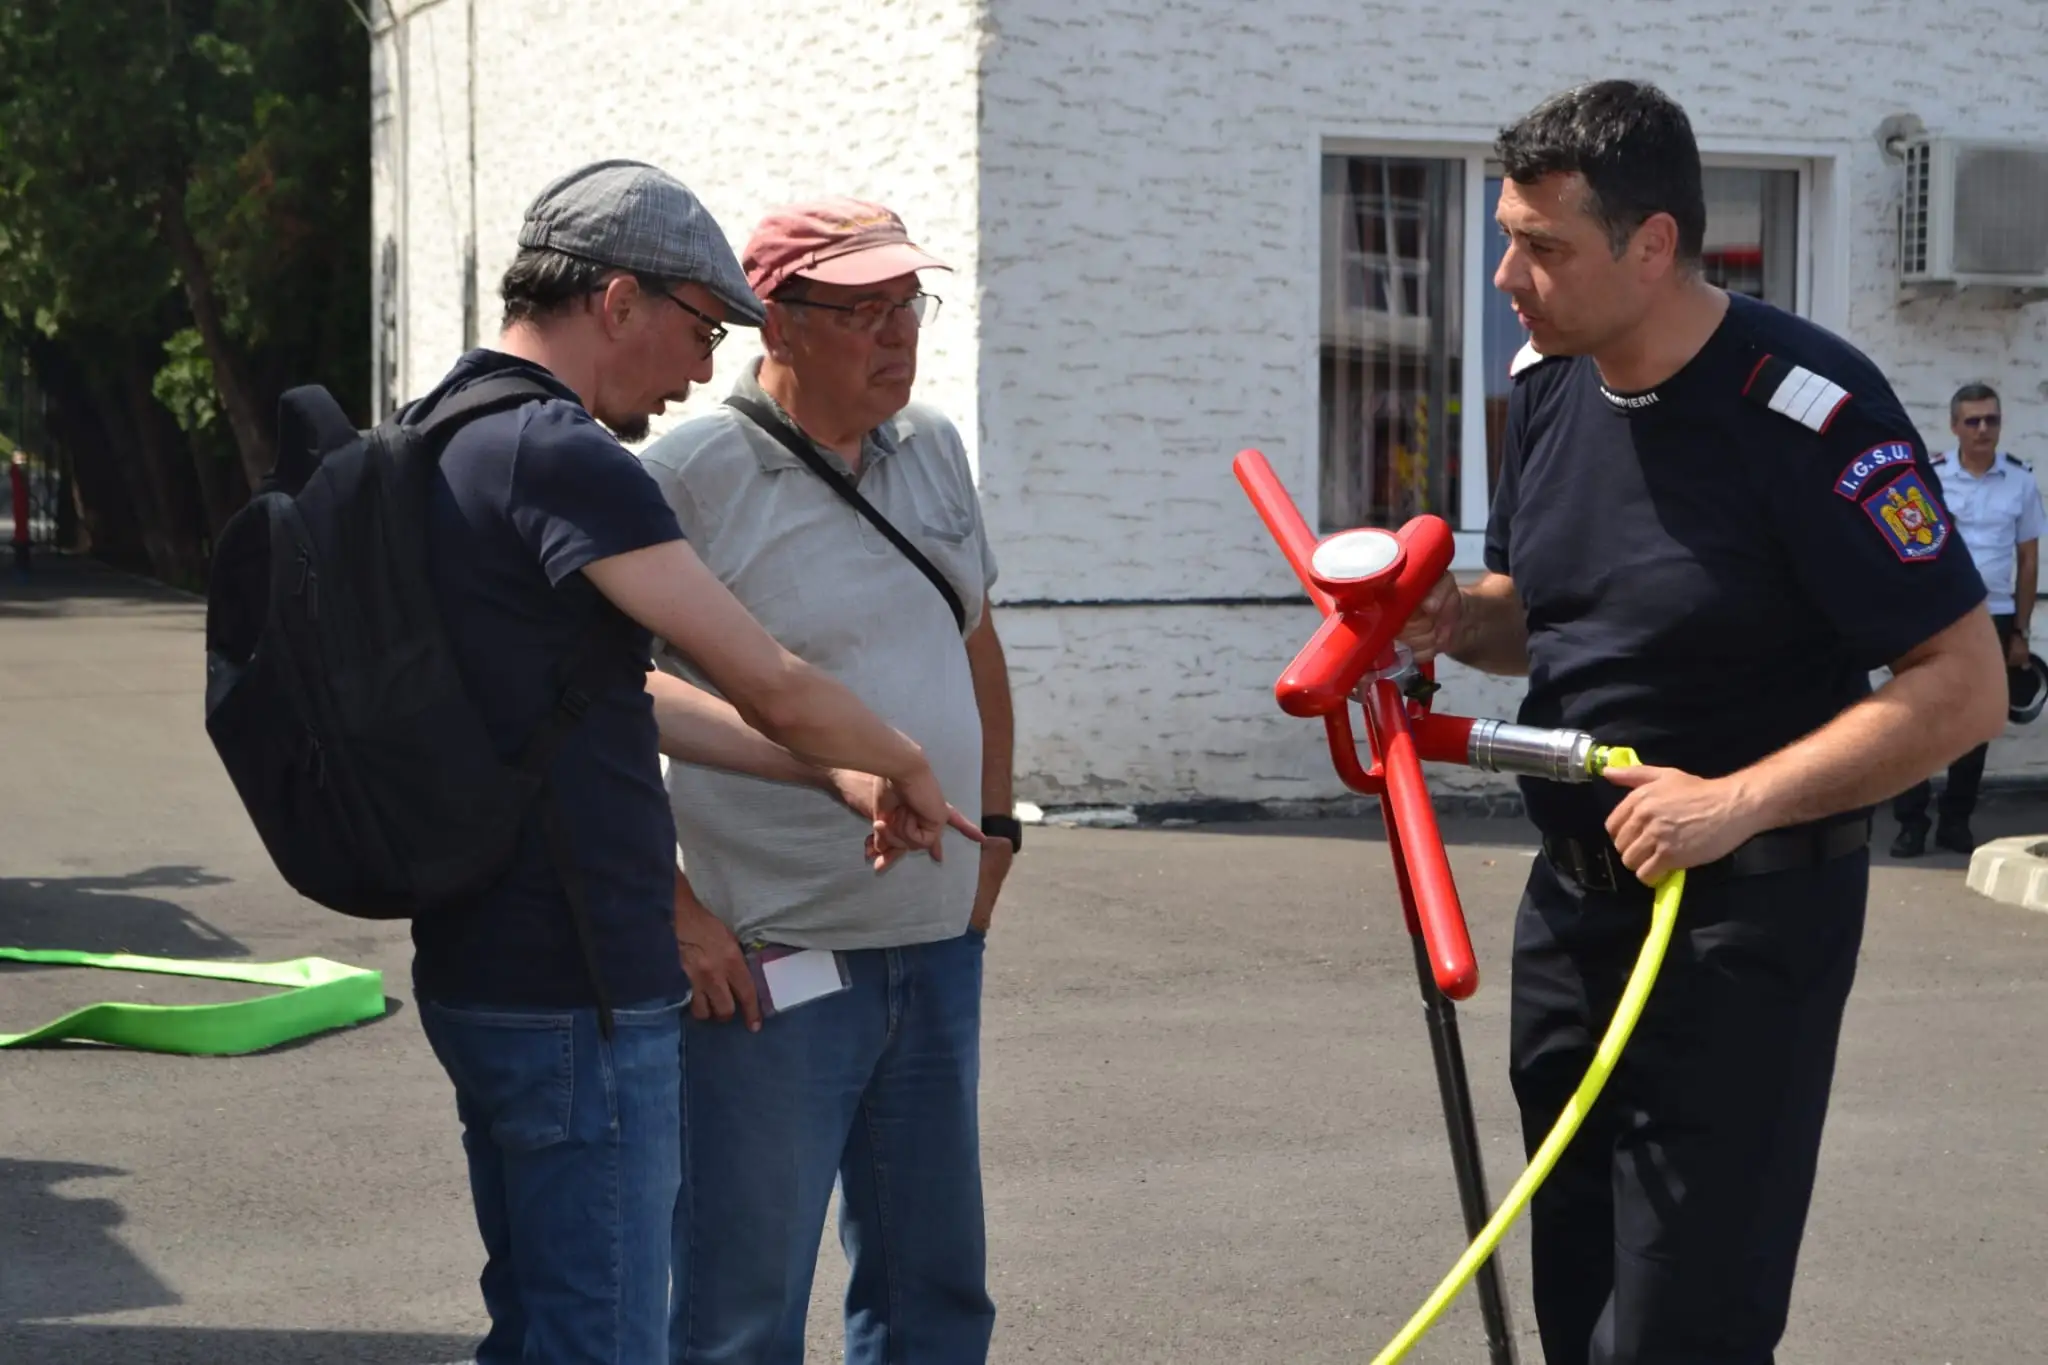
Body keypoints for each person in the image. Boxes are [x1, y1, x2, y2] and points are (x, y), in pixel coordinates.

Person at [1398, 82, 2006, 1365]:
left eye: (1543, 248)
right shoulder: (1553, 381)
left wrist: (1732, 800)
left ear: (1653, 244)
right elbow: (1543, 611)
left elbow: (1961, 682)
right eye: (1505, 237)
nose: (1507, 276)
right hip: (1571, 916)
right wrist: (1452, 619)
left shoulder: (1808, 411)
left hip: (1740, 928)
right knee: (1574, 1303)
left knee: (1678, 1331)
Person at [407, 161, 976, 1365]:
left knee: (556, 1320)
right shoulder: (565, 458)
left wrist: (837, 775)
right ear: (616, 300)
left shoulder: (449, 428)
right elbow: (756, 675)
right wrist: (891, 757)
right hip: (580, 974)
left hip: (502, 959)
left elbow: (601, 703)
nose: (700, 366)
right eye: (697, 325)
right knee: (615, 1331)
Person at [638, 198, 1015, 1365]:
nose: (897, 336)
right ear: (777, 326)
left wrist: (994, 829)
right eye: (862, 313)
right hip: (769, 955)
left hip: (936, 935)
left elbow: (972, 639)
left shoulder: (934, 448)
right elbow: (597, 702)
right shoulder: (684, 477)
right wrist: (676, 909)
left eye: (909, 305)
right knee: (740, 1303)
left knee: (934, 1291)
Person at [1890, 382, 2042, 856]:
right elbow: (1904, 544)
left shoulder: (2021, 482)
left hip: (1993, 617)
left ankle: (1956, 822)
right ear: (1955, 426)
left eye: (1991, 420)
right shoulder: (1929, 477)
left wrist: (2020, 630)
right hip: (1932, 615)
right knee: (1915, 720)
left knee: (1977, 724)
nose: (1982, 429)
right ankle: (1910, 823)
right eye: (1972, 421)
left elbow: (2029, 560)